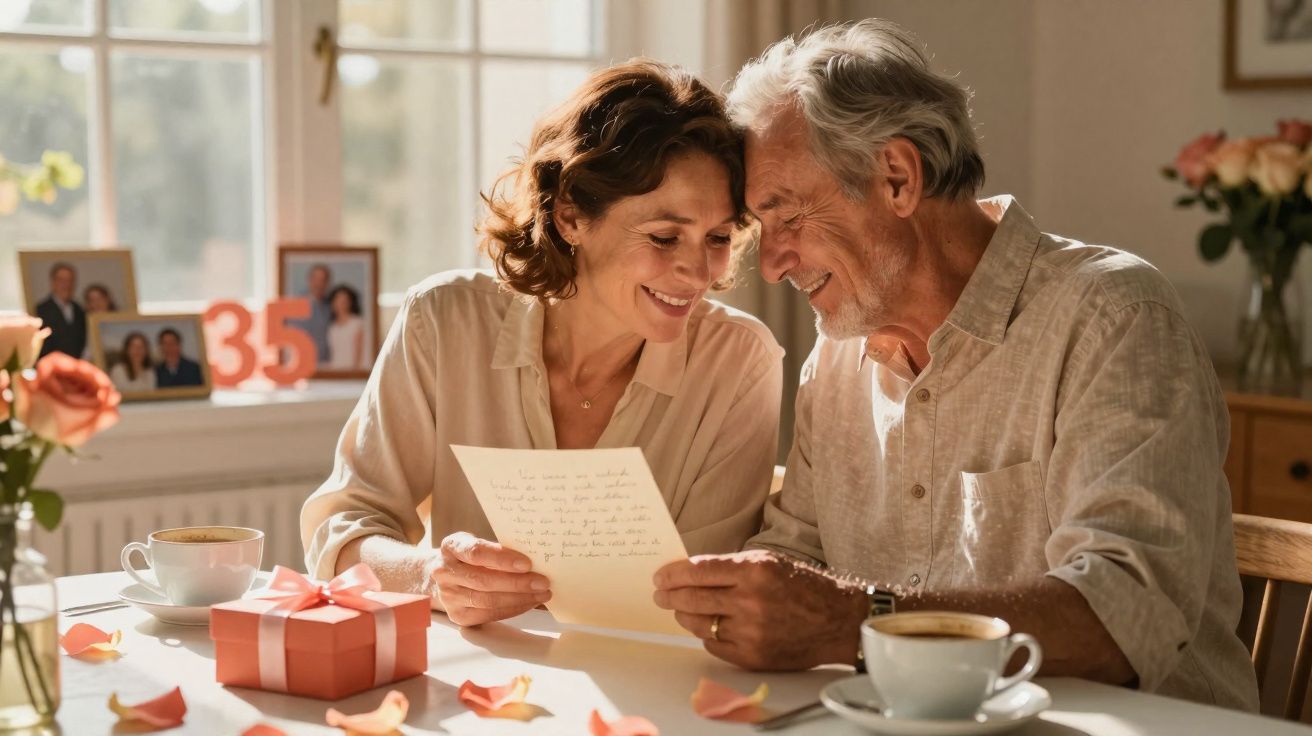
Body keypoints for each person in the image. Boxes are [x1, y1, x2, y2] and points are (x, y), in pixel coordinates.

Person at [652, 20, 1260, 712]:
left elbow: (1124, 613)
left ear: (897, 177)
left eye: (786, 217)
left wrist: (857, 620)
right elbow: (799, 557)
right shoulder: (839, 357)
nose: (770, 264)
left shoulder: (1115, 318)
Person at [301, 59, 784, 628]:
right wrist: (430, 576)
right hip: (475, 675)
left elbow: (704, 600)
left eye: (718, 237)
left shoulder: (740, 362)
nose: (698, 271)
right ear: (570, 215)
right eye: (663, 236)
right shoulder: (444, 323)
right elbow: (344, 528)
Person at [35, 262, 86, 359]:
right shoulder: (40, 311)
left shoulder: (80, 310)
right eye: (61, 280)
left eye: (70, 280)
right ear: (53, 282)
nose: (66, 285)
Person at [292, 264, 334, 367]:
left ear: (327, 283)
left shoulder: (330, 305)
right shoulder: (297, 305)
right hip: (304, 364)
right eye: (316, 279)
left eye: (323, 280)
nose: (319, 284)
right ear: (309, 280)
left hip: (325, 364)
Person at [324, 284, 366, 371]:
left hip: (352, 372)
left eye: (344, 301)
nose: (340, 304)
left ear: (350, 303)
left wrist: (356, 372)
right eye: (337, 300)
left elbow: (360, 352)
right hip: (335, 371)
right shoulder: (332, 327)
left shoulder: (357, 323)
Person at [81, 284, 118, 360]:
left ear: (108, 300)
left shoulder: (119, 323)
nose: (96, 304)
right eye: (92, 300)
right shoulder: (83, 327)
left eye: (99, 299)